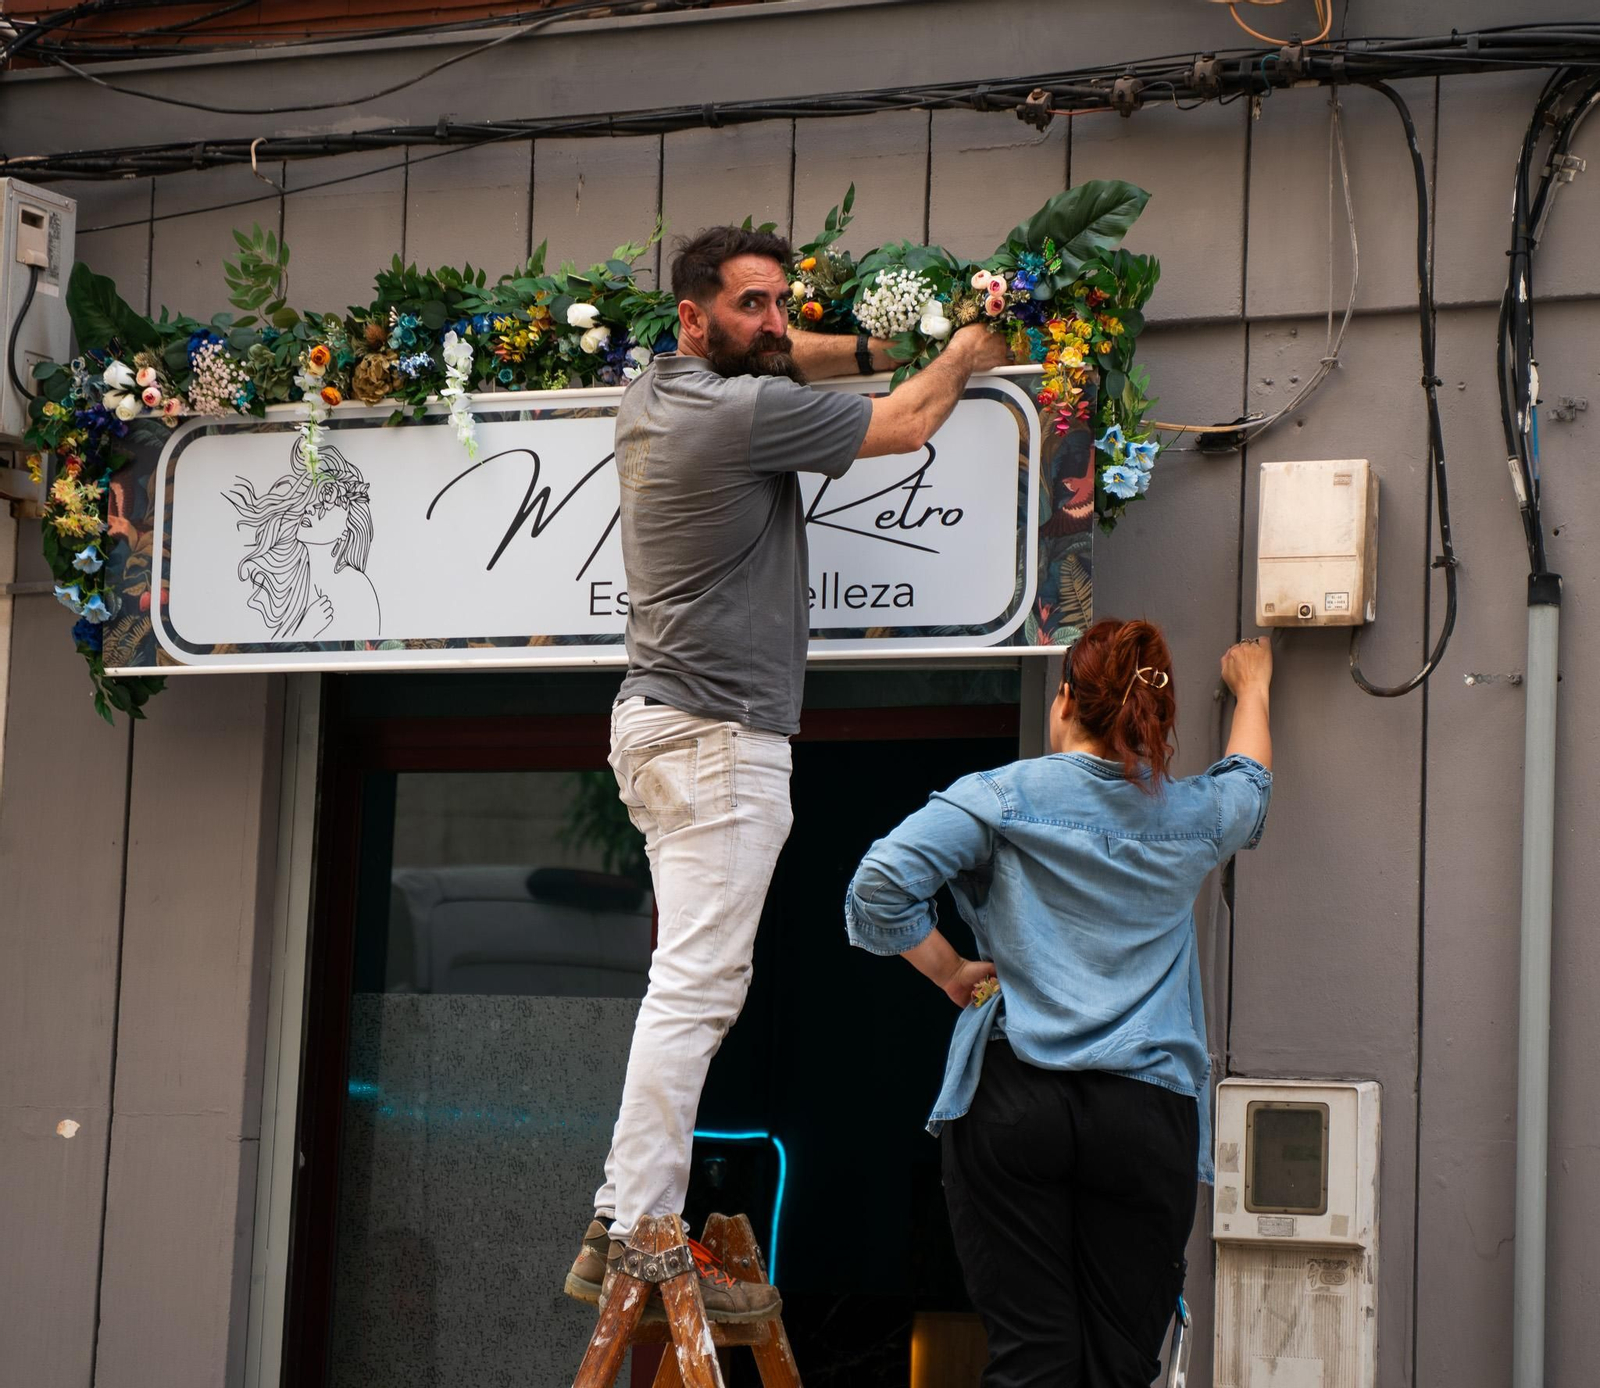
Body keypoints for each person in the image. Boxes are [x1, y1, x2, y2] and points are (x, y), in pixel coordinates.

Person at [563, 225, 1012, 1322]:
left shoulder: (655, 392)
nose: (773, 324)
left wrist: (852, 341)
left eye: (779, 304)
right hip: (719, 736)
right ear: (691, 317)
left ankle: (622, 1210)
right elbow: (905, 425)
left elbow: (788, 359)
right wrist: (962, 350)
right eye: (751, 305)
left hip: (664, 721)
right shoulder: (737, 414)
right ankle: (631, 1223)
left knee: (690, 978)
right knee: (699, 987)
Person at [844, 620, 1274, 1386]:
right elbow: (1247, 785)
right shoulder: (1189, 817)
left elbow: (879, 886)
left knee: (1032, 1358)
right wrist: (1255, 689)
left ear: (1065, 700)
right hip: (1144, 1114)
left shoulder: (1000, 798)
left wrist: (950, 970)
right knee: (1117, 1364)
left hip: (1015, 1097)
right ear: (1155, 720)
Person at [225, 442, 380, 640]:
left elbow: (365, 656)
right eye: (310, 502)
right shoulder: (296, 580)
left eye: (325, 505)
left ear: (346, 529)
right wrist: (306, 629)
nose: (309, 509)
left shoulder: (356, 587)